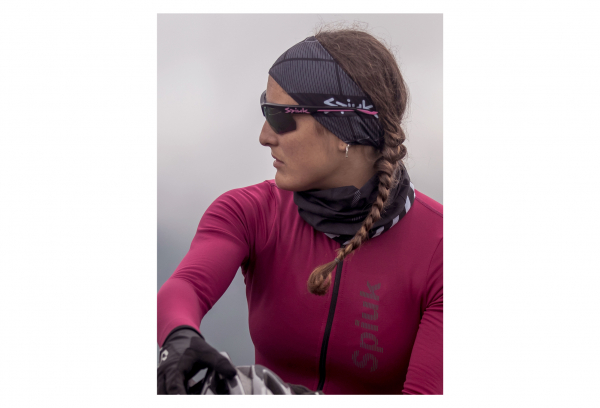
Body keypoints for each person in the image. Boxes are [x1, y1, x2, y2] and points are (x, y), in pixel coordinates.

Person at [157, 27, 443, 395]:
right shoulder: (249, 212)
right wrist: (179, 337)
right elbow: (184, 288)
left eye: (279, 117)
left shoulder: (440, 248)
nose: (264, 136)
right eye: (265, 109)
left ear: (344, 129)